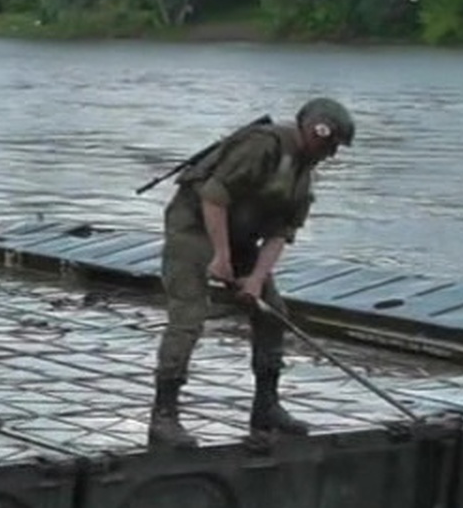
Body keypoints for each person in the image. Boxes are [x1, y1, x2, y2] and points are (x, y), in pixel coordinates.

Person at [148, 97, 356, 449]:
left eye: (335, 148)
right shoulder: (263, 146)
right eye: (328, 144)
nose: (330, 154)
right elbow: (213, 197)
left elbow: (280, 233)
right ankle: (164, 415)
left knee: (272, 312)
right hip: (196, 226)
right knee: (189, 315)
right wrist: (221, 258)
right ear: (312, 131)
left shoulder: (303, 172)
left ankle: (266, 406)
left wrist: (257, 279)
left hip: (240, 235)